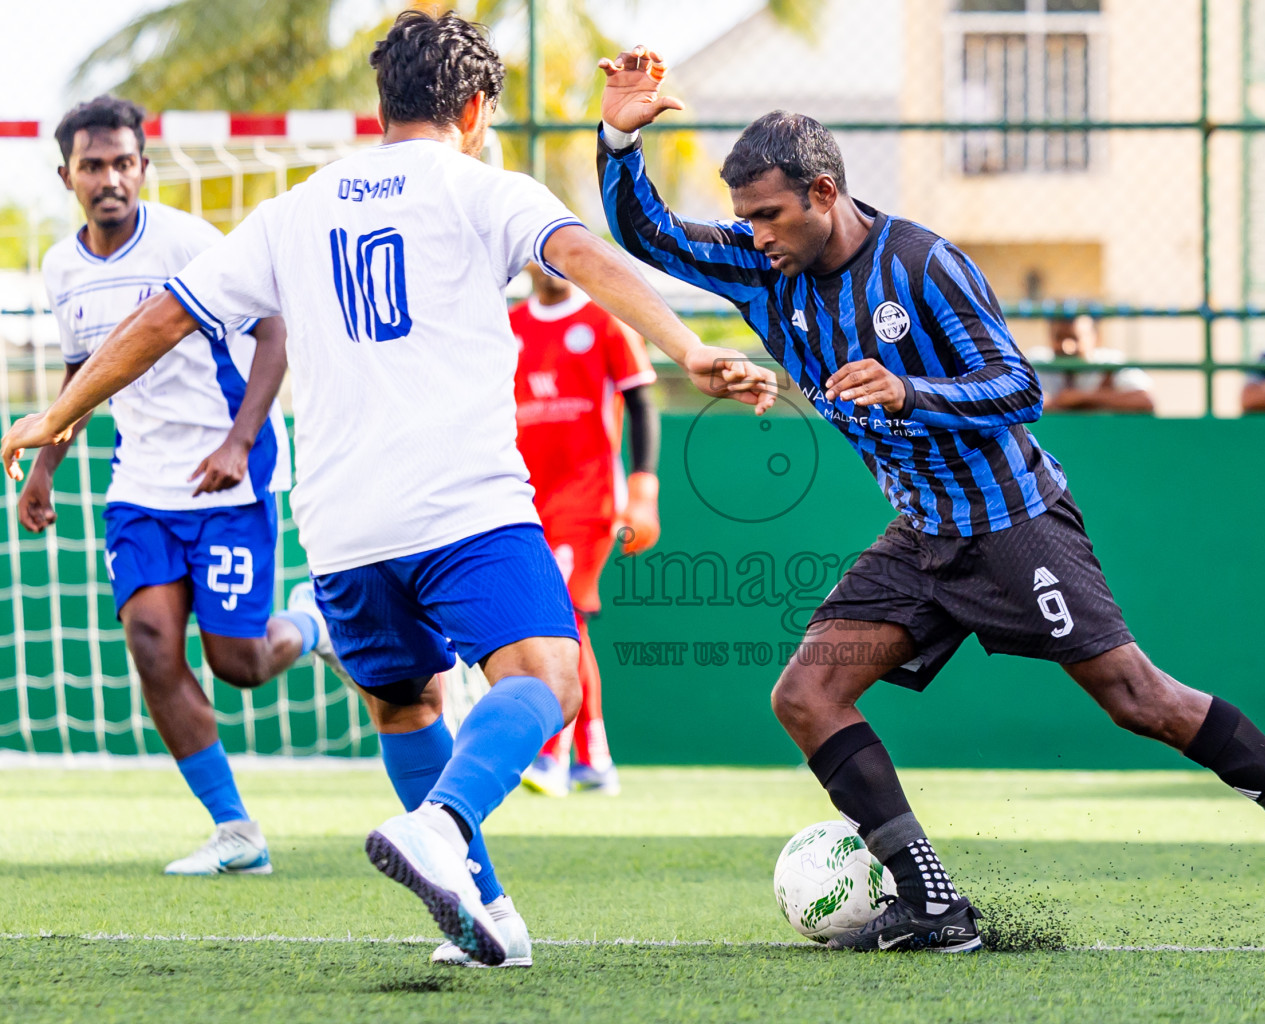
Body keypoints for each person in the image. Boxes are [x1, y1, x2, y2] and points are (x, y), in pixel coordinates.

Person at [596, 46, 1265, 952]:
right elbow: (649, 234)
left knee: (1140, 700)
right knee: (807, 695)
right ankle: (935, 906)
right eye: (746, 217)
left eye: (769, 215)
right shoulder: (767, 269)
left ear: (824, 193)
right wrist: (618, 140)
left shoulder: (924, 266)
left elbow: (1018, 388)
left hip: (1013, 523)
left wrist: (911, 392)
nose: (754, 234)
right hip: (923, 534)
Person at [2, 13, 774, 968]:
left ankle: (486, 910)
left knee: (406, 705)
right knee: (551, 678)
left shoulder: (291, 210)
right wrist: (688, 346)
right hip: (462, 506)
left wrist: (57, 414)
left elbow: (164, 318)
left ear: (380, 106)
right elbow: (583, 257)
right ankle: (442, 825)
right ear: (476, 109)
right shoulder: (483, 187)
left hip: (340, 528)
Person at [22, 95, 329, 877]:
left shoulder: (190, 242)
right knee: (152, 643)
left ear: (144, 167)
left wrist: (240, 441)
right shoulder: (61, 268)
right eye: (94, 166)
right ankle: (236, 831)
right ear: (67, 176)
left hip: (228, 477)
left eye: (124, 163)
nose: (110, 179)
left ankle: (313, 624)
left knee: (239, 663)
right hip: (140, 486)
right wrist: (45, 469)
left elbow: (274, 331)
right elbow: (83, 374)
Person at [513, 263, 661, 797]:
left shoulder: (605, 320)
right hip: (523, 499)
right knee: (566, 625)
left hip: (589, 498)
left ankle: (549, 755)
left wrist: (644, 490)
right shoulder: (509, 325)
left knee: (555, 618)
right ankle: (594, 758)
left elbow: (642, 403)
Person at [1025, 312, 1154, 413]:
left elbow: (1145, 401)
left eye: (1075, 338)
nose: (1067, 347)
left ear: (1096, 338)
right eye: (1059, 337)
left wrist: (1083, 398)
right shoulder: (1036, 361)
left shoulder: (1111, 361)